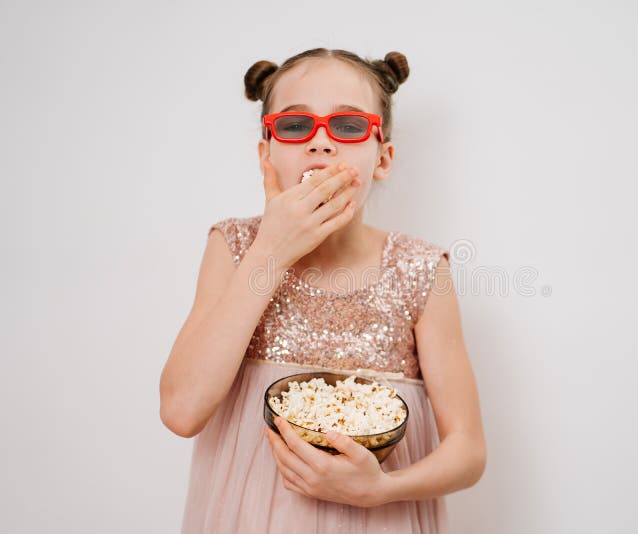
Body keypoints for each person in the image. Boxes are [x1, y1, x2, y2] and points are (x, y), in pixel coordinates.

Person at [159, 47, 486, 533]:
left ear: (383, 158)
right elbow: (182, 411)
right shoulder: (233, 247)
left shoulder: (419, 268)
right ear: (265, 153)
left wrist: (381, 489)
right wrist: (271, 250)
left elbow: (469, 450)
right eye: (295, 126)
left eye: (348, 126)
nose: (321, 144)